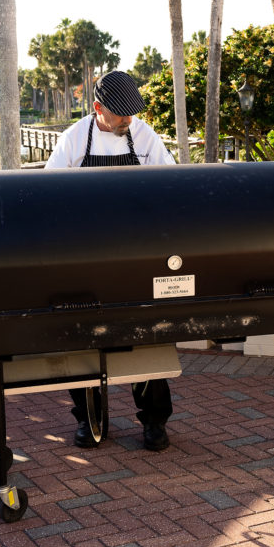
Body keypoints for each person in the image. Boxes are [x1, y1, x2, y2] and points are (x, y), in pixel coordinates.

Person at [46, 70, 177, 452]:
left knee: (146, 339)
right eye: (120, 113)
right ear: (97, 107)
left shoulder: (144, 135)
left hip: (137, 257)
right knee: (83, 343)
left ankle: (154, 421)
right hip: (83, 259)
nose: (128, 120)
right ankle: (91, 420)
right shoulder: (72, 140)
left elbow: (169, 183)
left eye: (131, 112)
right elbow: (48, 195)